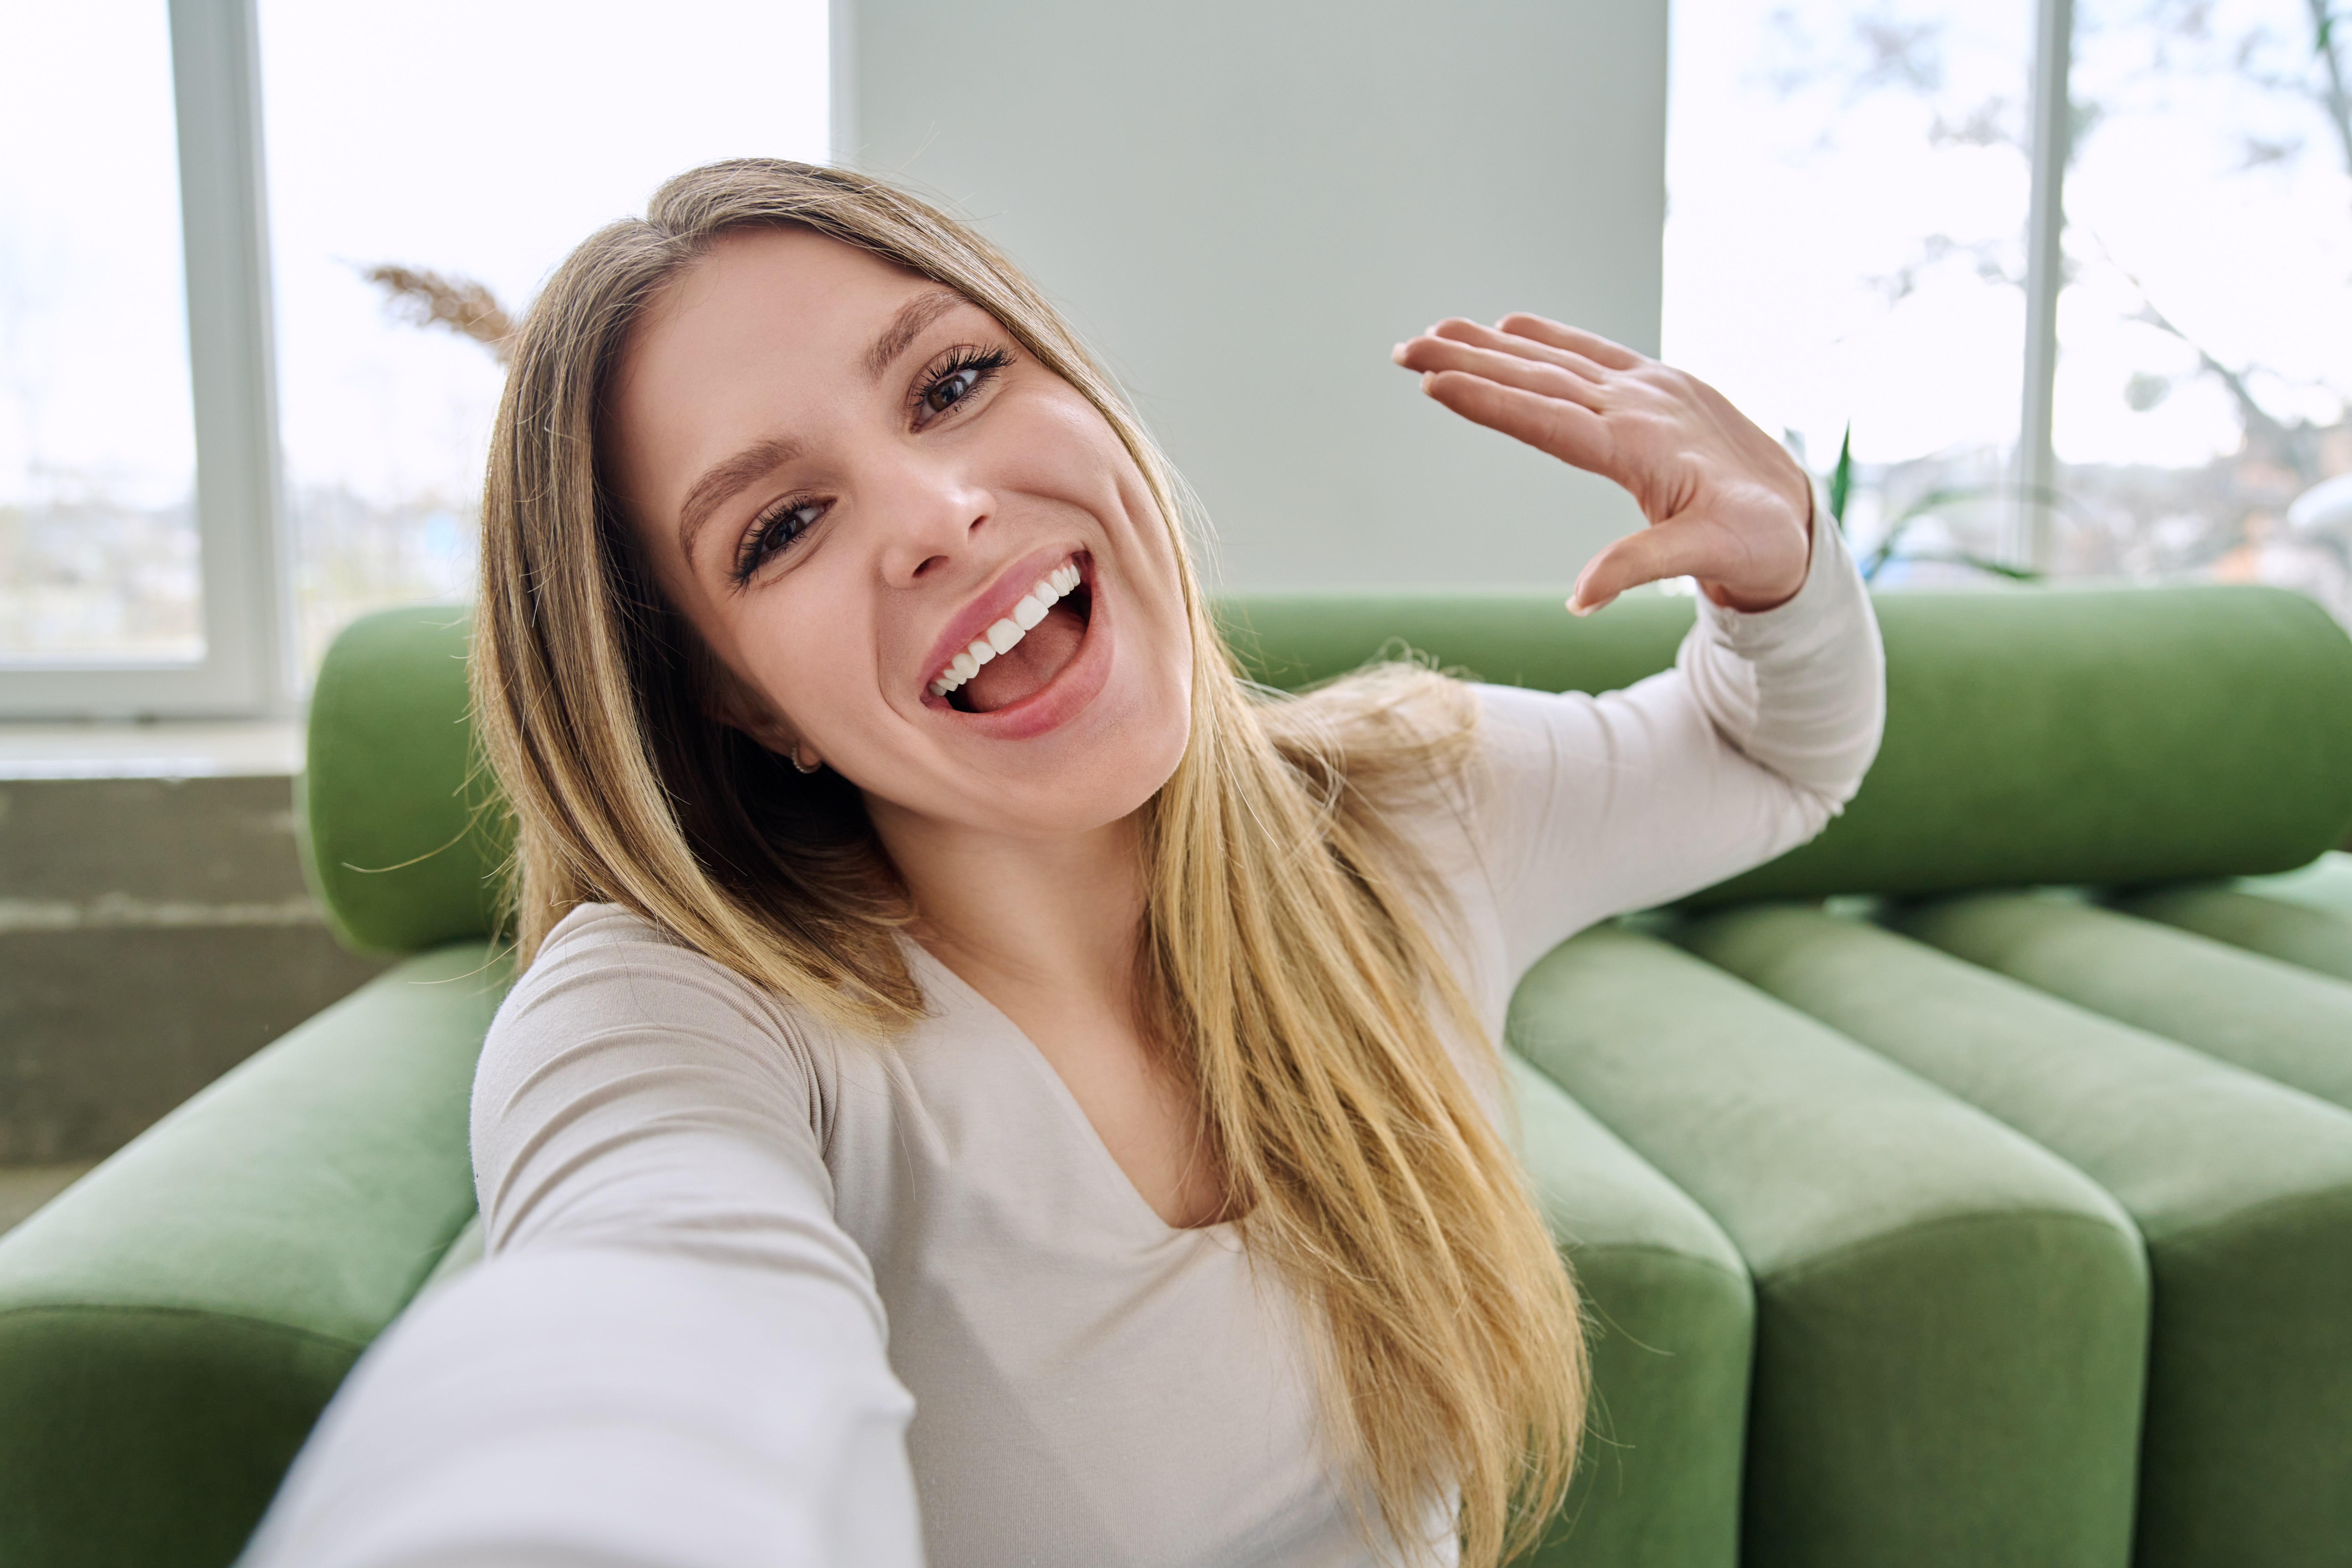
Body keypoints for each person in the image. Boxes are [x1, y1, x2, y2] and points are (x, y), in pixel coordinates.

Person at [241, 160, 1883, 1568]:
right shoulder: (676, 1017)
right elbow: (639, 1337)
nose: (938, 509)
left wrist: (1779, 560)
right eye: (780, 528)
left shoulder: (1407, 808)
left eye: (951, 383)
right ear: (736, 698)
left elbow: (1769, 752)